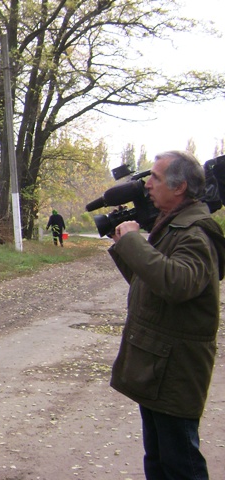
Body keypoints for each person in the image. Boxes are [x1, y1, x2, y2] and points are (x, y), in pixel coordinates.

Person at [107, 150, 225, 479]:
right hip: (159, 365)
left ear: (179, 187)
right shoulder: (172, 226)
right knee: (159, 461)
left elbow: (176, 284)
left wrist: (134, 241)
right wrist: (124, 245)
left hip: (176, 370)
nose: (147, 185)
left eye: (155, 178)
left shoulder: (195, 234)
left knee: (180, 465)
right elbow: (151, 286)